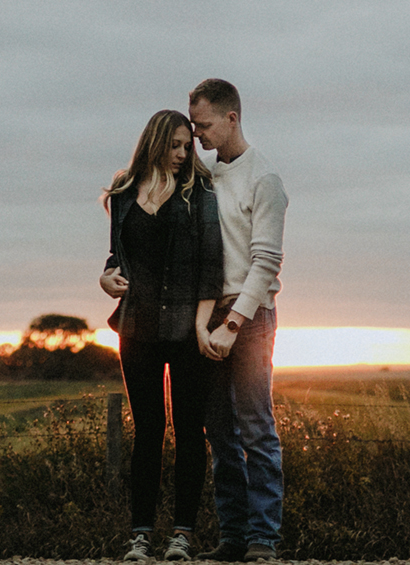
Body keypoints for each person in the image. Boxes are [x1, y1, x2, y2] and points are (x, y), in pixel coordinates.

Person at [101, 109, 224, 563]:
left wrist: (200, 324)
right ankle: (140, 538)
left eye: (186, 146)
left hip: (188, 331)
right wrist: (106, 278)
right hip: (136, 330)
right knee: (148, 432)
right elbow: (116, 258)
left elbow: (213, 264)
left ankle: (182, 537)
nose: (181, 154)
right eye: (173, 145)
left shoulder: (199, 192)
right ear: (153, 142)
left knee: (191, 432)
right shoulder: (123, 193)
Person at [190, 78, 287, 562]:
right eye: (193, 126)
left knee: (255, 428)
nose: (197, 135)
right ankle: (231, 538)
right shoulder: (203, 176)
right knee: (218, 432)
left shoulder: (264, 179)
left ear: (232, 118)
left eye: (204, 125)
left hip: (250, 317)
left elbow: (266, 261)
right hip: (208, 313)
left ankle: (263, 541)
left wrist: (232, 326)